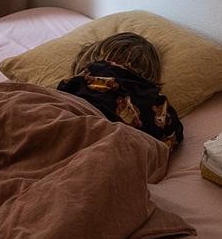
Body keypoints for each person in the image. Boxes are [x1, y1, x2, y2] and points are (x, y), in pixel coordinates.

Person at [56, 32, 184, 150]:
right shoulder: (157, 100)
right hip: (118, 147)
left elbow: (59, 97)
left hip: (78, 132)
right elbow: (173, 135)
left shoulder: (91, 73)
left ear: (98, 56)